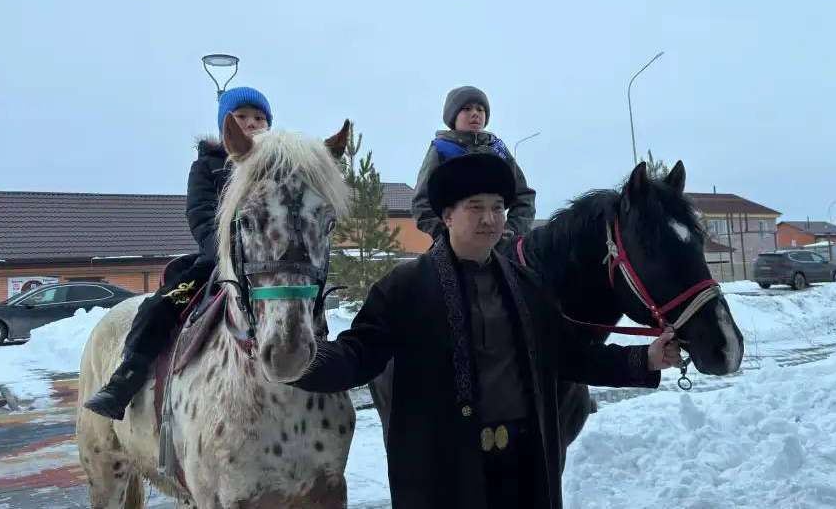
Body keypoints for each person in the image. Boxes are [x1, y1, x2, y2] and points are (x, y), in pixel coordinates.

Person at [294, 152, 681, 509]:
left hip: (523, 469)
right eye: (475, 207)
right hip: (446, 476)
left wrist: (644, 357)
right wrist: (297, 361)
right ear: (446, 216)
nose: (490, 219)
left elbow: (570, 355)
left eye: (498, 208)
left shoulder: (527, 285)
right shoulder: (405, 287)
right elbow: (360, 353)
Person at [83, 86, 273, 420]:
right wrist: (224, 252)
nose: (251, 124)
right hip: (219, 260)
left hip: (268, 262)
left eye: (259, 118)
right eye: (241, 117)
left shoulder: (277, 167)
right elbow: (200, 214)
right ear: (224, 125)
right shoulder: (208, 167)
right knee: (164, 303)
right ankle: (128, 376)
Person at [411, 85, 536, 242]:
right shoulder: (442, 150)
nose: (475, 114)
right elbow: (421, 203)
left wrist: (512, 230)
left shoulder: (498, 150)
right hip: (455, 248)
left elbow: (524, 196)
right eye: (467, 109)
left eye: (480, 109)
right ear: (453, 116)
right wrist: (446, 236)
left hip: (497, 244)